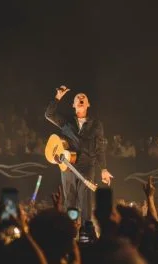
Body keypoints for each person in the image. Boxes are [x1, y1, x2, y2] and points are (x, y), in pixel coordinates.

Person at [45, 85, 113, 222]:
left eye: (83, 97)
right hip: (69, 166)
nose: (80, 98)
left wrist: (104, 169)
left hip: (87, 166)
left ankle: (86, 232)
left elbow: (100, 147)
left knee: (85, 201)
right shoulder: (67, 122)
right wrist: (58, 97)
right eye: (77, 98)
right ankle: (71, 230)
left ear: (88, 104)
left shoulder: (96, 124)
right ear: (73, 105)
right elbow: (49, 114)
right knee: (70, 202)